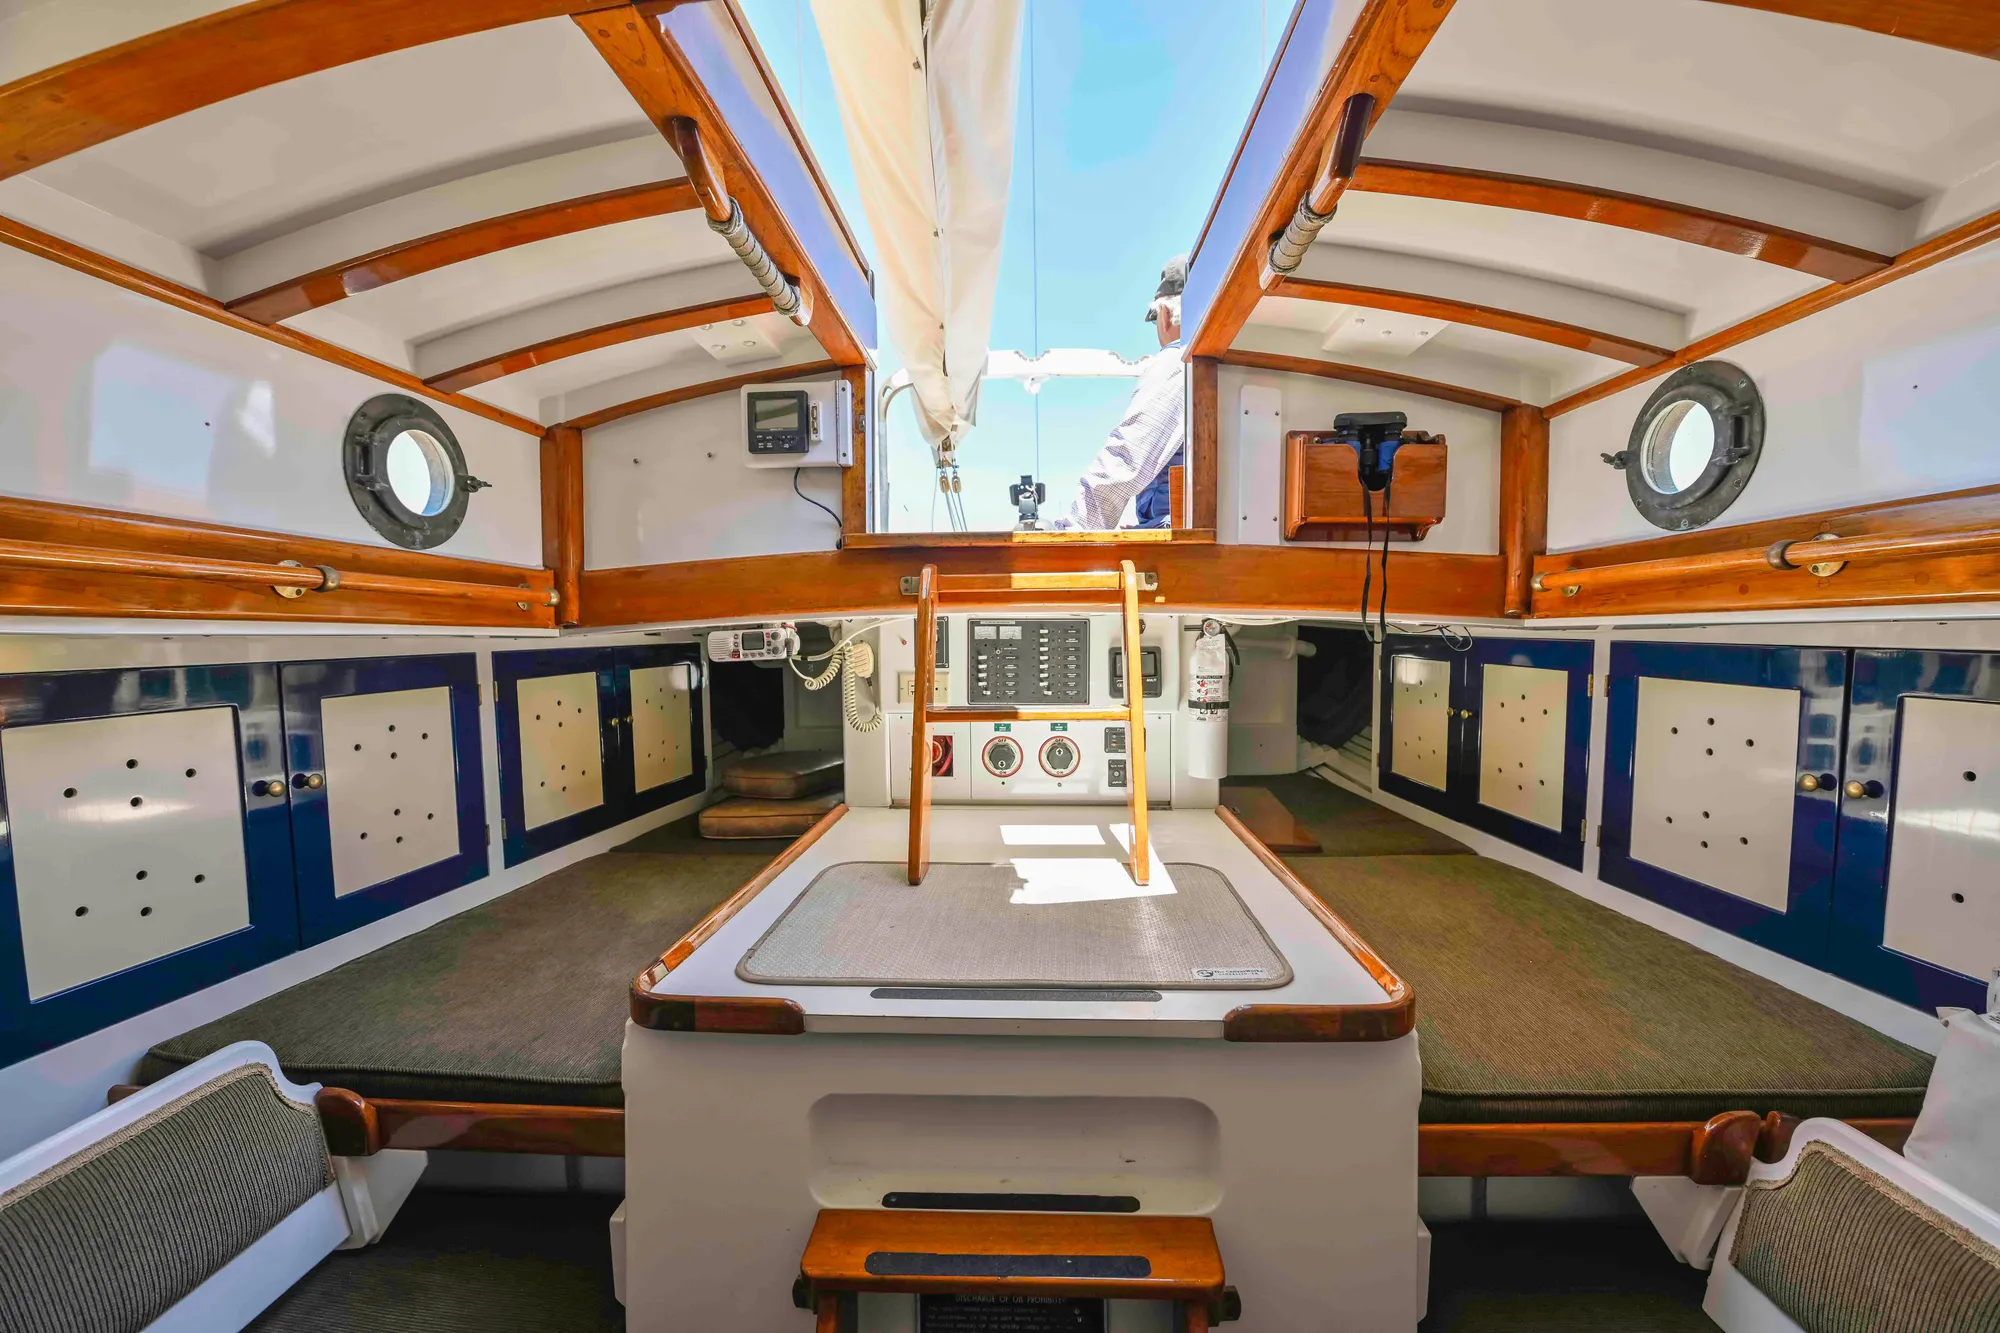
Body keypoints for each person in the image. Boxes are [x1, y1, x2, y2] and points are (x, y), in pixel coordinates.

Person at [1048, 256, 1187, 530]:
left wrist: (1078, 531)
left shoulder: (1178, 360)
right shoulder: (1235, 358)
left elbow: (1125, 458)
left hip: (1180, 539)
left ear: (1165, 315)